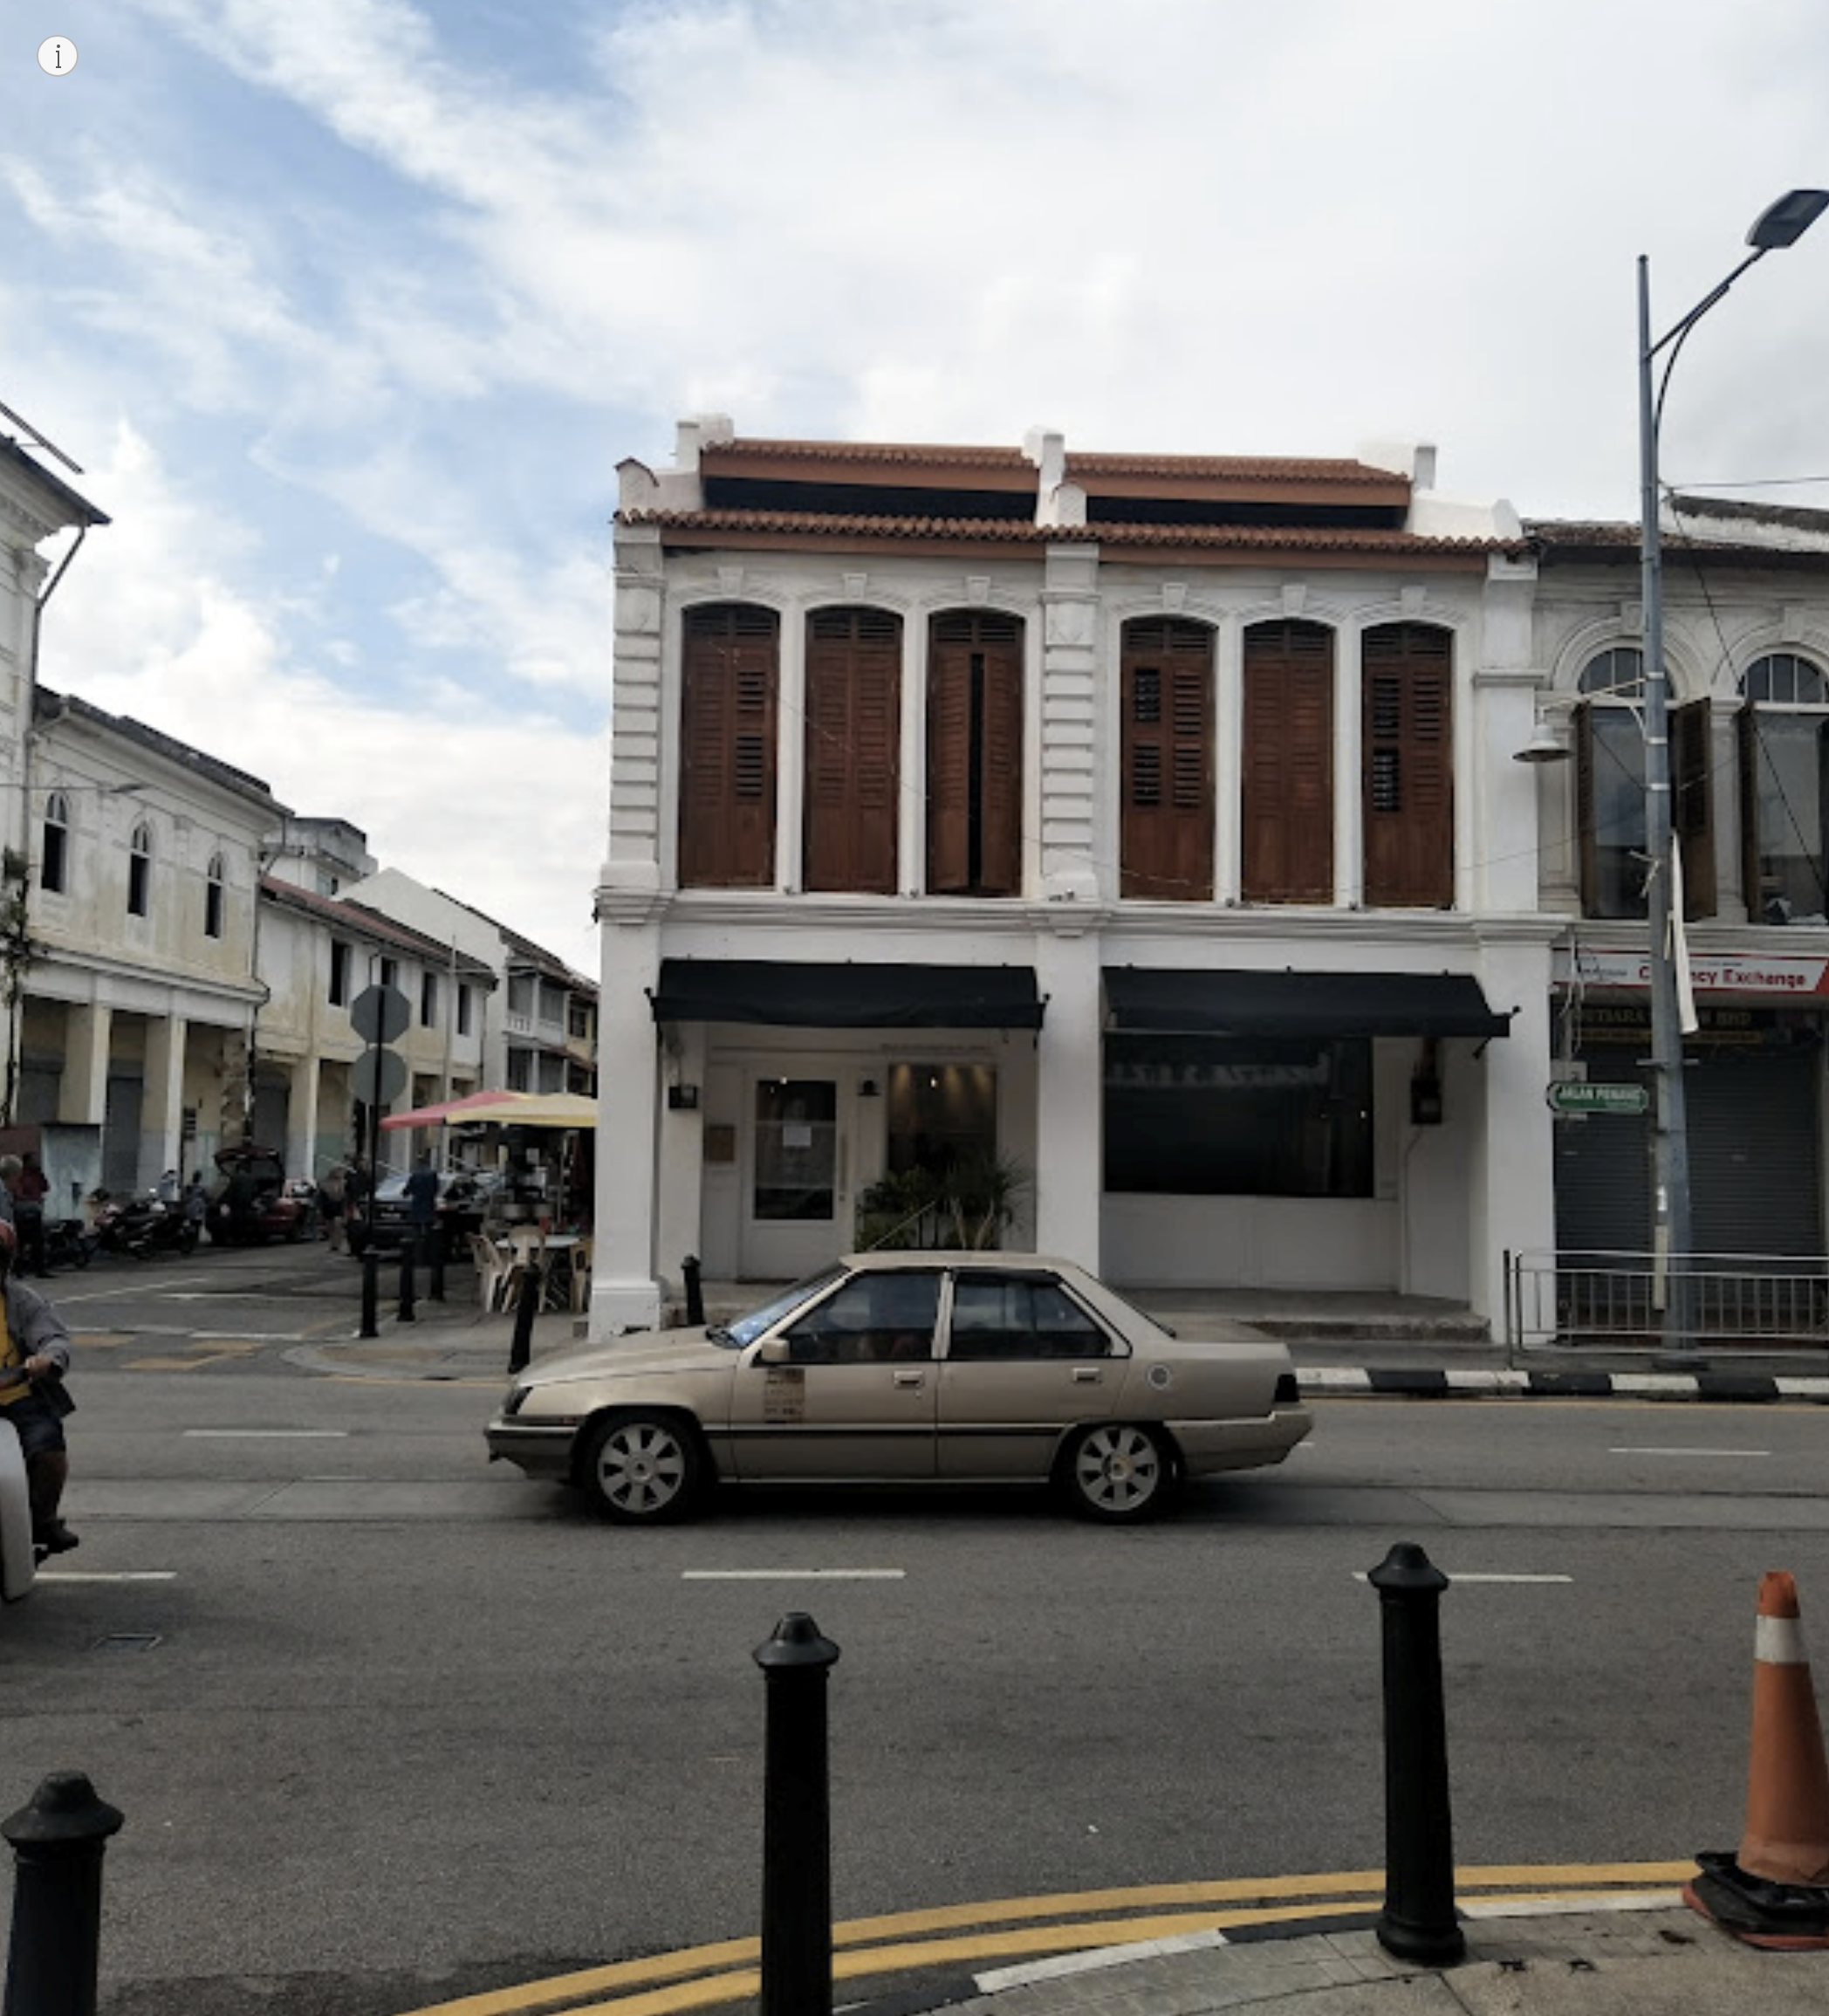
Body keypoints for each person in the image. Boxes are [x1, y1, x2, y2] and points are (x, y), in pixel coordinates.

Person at [0, 1220, 77, 1555]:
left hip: (18, 1398)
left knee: (48, 1450)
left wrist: (45, 1359)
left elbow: (53, 1337)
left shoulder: (22, 1300)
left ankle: (43, 1520)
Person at [13, 1151, 50, 1278]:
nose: (37, 1162)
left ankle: (40, 1269)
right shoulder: (21, 1176)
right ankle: (18, 1270)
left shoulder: (37, 1175)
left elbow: (45, 1188)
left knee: (38, 1241)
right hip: (24, 1212)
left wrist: (41, 1175)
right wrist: (31, 1201)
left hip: (36, 1211)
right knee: (20, 1242)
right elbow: (18, 1193)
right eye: (34, 1160)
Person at [403, 1153, 442, 1259]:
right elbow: (436, 1189)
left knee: (416, 1232)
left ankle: (417, 1256)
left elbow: (408, 1190)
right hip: (428, 1205)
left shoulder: (415, 1175)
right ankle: (428, 1254)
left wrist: (407, 1193)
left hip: (417, 1206)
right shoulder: (432, 1174)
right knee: (429, 1231)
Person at [319, 1163, 348, 1254]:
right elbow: (322, 1195)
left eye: (340, 1172)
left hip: (339, 1206)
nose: (339, 1174)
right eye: (337, 1172)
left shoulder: (344, 1183)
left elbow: (345, 1195)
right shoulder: (325, 1182)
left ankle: (337, 1244)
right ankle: (332, 1244)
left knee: (338, 1224)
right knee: (330, 1226)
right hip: (328, 1206)